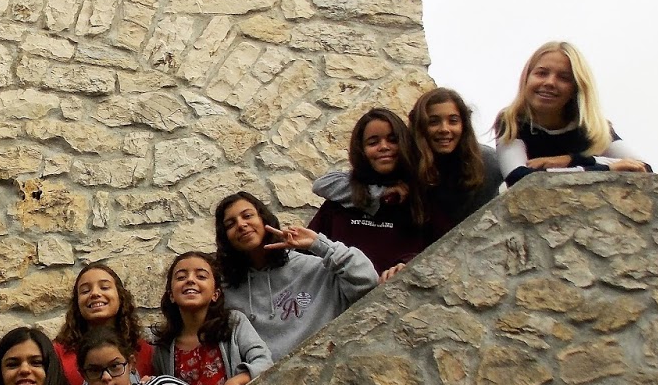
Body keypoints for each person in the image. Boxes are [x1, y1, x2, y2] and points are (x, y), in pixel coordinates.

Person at [215, 191, 378, 362]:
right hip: (263, 377)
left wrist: (319, 244)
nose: (241, 225)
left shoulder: (313, 268)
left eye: (247, 216)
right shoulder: (226, 289)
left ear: (263, 219)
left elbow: (368, 283)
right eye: (230, 224)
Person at [494, 41, 649, 186]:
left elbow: (643, 168)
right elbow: (518, 177)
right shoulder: (511, 121)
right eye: (542, 73)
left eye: (564, 78)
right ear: (526, 78)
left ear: (576, 88)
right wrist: (602, 167)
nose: (550, 82)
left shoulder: (592, 127)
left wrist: (569, 160)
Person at [309, 107, 429, 281]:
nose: (384, 147)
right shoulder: (341, 201)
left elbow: (437, 248)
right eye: (373, 143)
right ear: (361, 150)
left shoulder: (418, 198)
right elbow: (308, 256)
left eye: (393, 140)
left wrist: (407, 264)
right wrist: (379, 193)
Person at [150, 252, 272, 385]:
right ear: (171, 295)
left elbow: (264, 362)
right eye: (181, 277)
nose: (190, 280)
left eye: (201, 276)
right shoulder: (164, 347)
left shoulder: (233, 323)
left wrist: (236, 381)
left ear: (215, 293)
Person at [408, 87, 502, 240]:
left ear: (463, 125)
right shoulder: (407, 166)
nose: (444, 129)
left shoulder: (488, 163)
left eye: (453, 121)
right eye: (433, 122)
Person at [51, 261, 155, 385]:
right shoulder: (58, 353)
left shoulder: (145, 351)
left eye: (104, 287)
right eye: (85, 291)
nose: (95, 293)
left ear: (120, 296)